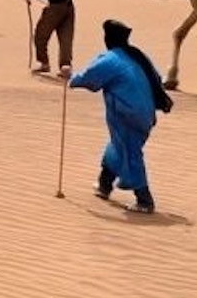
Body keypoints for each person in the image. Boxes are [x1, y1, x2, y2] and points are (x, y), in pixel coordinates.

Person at [69, 20, 174, 214]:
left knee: (129, 152)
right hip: (144, 114)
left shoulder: (112, 59)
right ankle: (104, 184)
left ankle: (144, 200)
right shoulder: (137, 55)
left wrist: (71, 78)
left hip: (128, 114)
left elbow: (89, 78)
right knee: (117, 147)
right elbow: (157, 78)